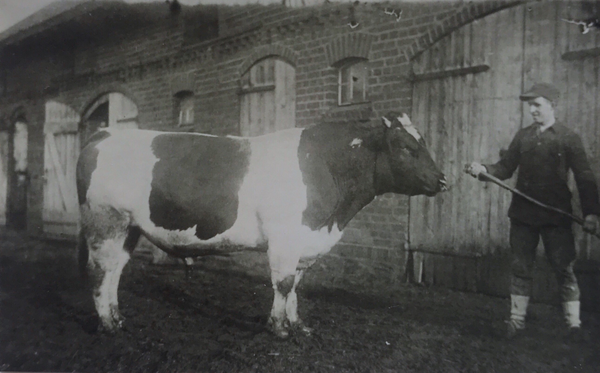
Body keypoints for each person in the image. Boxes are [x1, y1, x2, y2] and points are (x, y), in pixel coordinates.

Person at [466, 82, 600, 339]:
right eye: (530, 106)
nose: (532, 110)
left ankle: (574, 325)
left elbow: (584, 176)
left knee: (564, 268)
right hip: (523, 216)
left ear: (552, 105)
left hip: (556, 216)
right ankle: (516, 322)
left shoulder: (568, 137)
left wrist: (592, 213)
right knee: (520, 267)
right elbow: (504, 168)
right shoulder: (523, 136)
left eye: (537, 105)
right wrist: (483, 170)